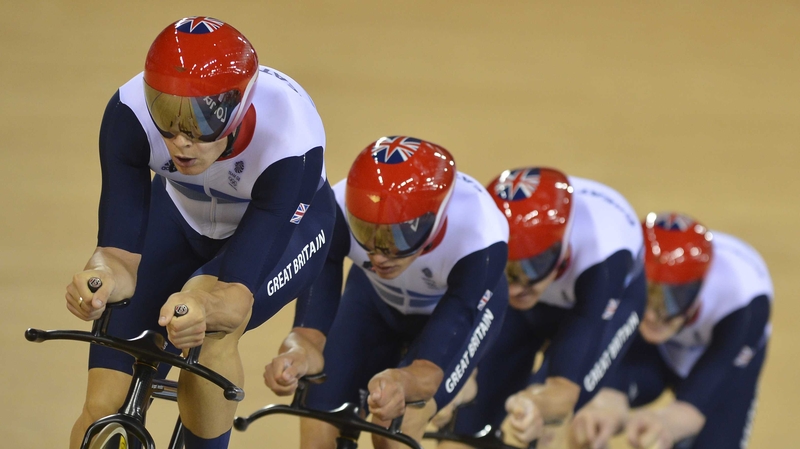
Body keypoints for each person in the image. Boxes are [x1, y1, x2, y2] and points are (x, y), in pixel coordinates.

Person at [63, 16, 336, 449]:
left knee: (213, 329)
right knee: (102, 411)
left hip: (281, 232)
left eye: (201, 121)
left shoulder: (291, 140)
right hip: (179, 216)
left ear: (239, 106)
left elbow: (235, 296)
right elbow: (115, 256)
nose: (180, 141)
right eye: (166, 117)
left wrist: (200, 304)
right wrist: (98, 281)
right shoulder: (128, 114)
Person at [262, 136, 510, 448]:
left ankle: (460, 386)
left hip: (454, 311)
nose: (378, 256)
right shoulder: (334, 211)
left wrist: (402, 382)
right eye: (366, 232)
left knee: (394, 427)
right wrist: (297, 354)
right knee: (319, 417)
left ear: (434, 221)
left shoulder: (480, 238)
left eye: (399, 237)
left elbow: (428, 372)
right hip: (376, 296)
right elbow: (308, 334)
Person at [439, 167, 646, 448]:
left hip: (599, 303)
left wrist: (536, 405)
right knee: (468, 423)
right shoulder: (481, 241)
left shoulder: (605, 259)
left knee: (540, 420)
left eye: (530, 267)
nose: (514, 288)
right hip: (538, 299)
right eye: (508, 268)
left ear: (563, 250)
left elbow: (563, 392)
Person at [570, 212, 773, 449]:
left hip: (722, 353)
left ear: (699, 289)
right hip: (651, 350)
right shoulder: (622, 268)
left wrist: (663, 424)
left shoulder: (744, 301)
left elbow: (693, 408)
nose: (653, 315)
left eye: (671, 300)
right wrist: (605, 404)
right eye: (646, 295)